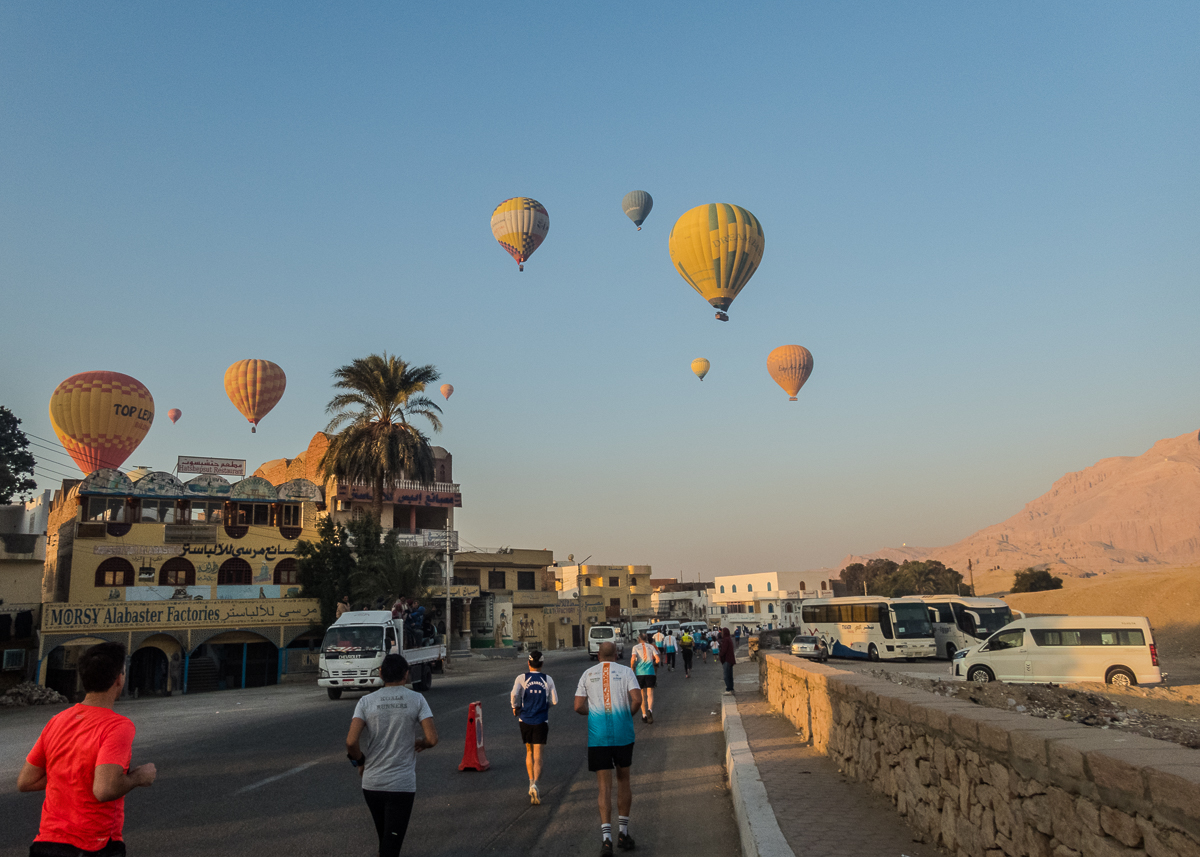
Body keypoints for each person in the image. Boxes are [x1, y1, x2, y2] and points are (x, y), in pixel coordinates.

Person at [18, 642, 157, 856]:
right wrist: (139, 777)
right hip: (94, 844)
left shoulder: (57, 721)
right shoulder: (117, 726)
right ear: (119, 679)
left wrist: (72, 772)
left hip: (47, 843)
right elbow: (104, 790)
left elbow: (26, 781)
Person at [346, 654, 438, 857]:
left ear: (380, 673)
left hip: (372, 784)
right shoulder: (417, 699)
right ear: (406, 674)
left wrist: (360, 761)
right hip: (401, 785)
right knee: (391, 844)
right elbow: (432, 739)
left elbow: (351, 742)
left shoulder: (366, 701)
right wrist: (422, 743)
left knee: (385, 838)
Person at [575, 641, 642, 855]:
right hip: (623, 735)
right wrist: (626, 714)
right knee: (624, 780)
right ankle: (623, 832)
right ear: (616, 655)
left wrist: (593, 713)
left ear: (598, 656)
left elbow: (577, 706)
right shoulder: (626, 671)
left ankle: (606, 839)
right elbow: (637, 700)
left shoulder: (587, 674)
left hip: (598, 737)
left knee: (604, 787)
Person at [510, 650, 558, 805]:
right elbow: (555, 700)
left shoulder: (521, 678)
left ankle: (530, 782)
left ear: (528, 663)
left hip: (525, 720)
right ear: (542, 664)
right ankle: (536, 784)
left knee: (528, 751)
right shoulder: (547, 679)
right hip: (541, 720)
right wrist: (546, 705)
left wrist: (515, 707)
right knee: (539, 756)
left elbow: (514, 694)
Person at [629, 632, 660, 723]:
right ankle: (650, 710)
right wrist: (654, 664)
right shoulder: (651, 647)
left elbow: (632, 659)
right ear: (646, 638)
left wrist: (632, 668)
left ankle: (644, 715)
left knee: (642, 694)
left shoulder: (635, 647)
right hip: (650, 672)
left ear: (639, 639)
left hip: (640, 673)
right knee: (650, 694)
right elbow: (657, 659)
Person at [718, 628, 737, 694]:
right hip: (730, 659)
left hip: (727, 659)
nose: (721, 633)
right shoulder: (729, 639)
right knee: (730, 675)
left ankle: (729, 689)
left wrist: (720, 655)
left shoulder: (726, 640)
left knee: (726, 676)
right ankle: (731, 689)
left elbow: (724, 650)